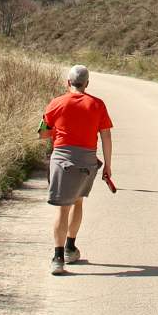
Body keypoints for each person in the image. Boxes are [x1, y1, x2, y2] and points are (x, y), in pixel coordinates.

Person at [40, 64, 115, 276]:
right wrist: (108, 166)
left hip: (63, 158)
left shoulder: (56, 103)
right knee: (78, 201)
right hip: (87, 159)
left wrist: (55, 130)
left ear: (68, 83)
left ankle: (58, 258)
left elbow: (42, 134)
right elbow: (106, 136)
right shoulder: (97, 104)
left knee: (62, 208)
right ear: (87, 84)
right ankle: (70, 247)